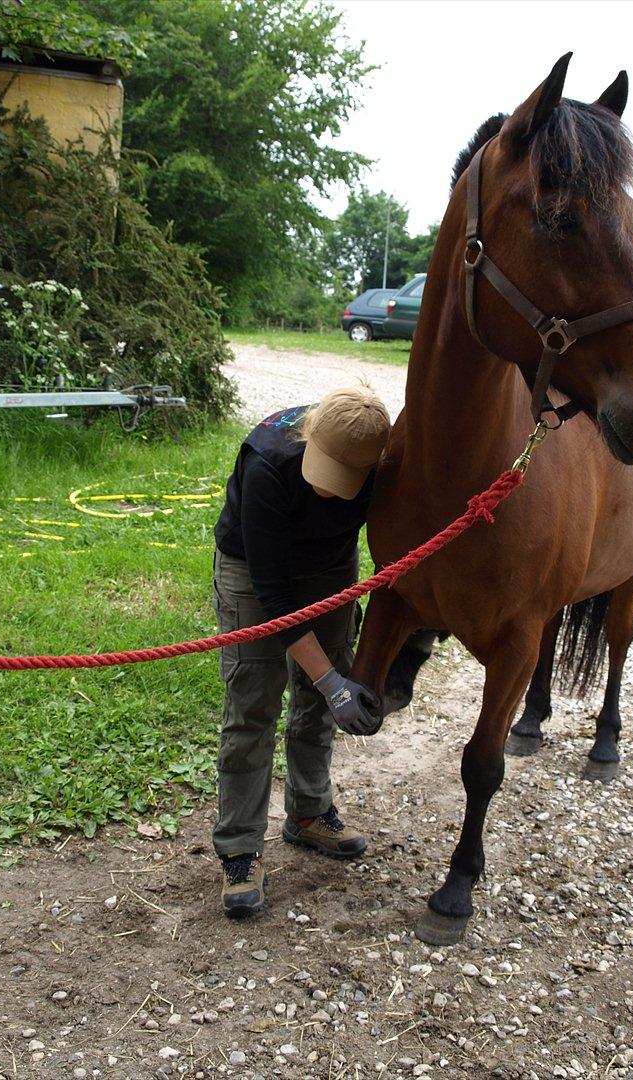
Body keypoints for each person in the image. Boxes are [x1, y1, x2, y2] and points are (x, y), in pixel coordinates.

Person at [211, 384, 391, 918]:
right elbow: (274, 593)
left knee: (316, 706)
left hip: (330, 569)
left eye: (345, 481)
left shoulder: (385, 461)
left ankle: (309, 814)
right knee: (253, 705)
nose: (330, 491)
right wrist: (335, 682)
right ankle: (241, 848)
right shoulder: (269, 461)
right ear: (309, 436)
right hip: (254, 571)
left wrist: (332, 684)